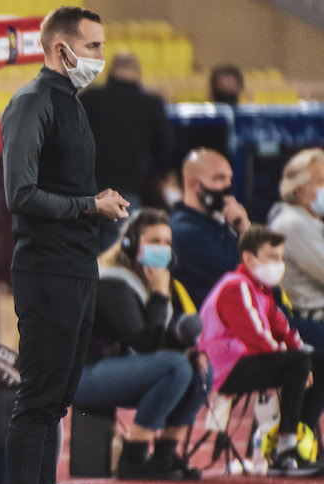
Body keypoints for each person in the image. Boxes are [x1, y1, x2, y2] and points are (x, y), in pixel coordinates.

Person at [1, 6, 127, 484]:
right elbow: (20, 193)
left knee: (53, 405)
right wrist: (89, 205)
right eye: (93, 46)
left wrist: (92, 205)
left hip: (76, 267)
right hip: (46, 271)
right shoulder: (32, 103)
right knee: (37, 403)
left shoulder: (69, 103)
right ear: (61, 49)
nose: (100, 57)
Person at [73, 209, 207, 480]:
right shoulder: (112, 279)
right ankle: (134, 456)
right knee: (175, 366)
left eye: (167, 242)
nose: (162, 248)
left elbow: (165, 335)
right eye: (154, 241)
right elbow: (145, 342)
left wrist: (189, 349)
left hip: (118, 369)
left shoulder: (151, 278)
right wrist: (160, 294)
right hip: (86, 373)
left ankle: (164, 454)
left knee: (200, 368)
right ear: (131, 243)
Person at [199, 225, 324, 473]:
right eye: (272, 257)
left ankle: (303, 436)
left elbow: (284, 330)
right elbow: (256, 338)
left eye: (280, 258)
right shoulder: (236, 286)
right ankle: (284, 449)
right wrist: (300, 361)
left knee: (318, 359)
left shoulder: (261, 290)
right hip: (224, 369)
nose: (279, 264)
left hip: (247, 361)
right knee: (297, 362)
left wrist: (304, 356)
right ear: (249, 258)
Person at [79, 52, 173, 248]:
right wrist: (153, 176)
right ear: (138, 71)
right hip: (130, 188)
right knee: (118, 249)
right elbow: (166, 148)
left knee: (87, 246)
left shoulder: (89, 99)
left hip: (89, 190)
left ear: (110, 71)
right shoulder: (151, 103)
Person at [170, 148, 251, 308]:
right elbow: (241, 272)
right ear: (193, 184)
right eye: (219, 178)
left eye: (229, 179)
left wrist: (242, 227)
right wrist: (244, 231)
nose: (227, 186)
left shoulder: (216, 222)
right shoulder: (185, 230)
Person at [269, 148, 324, 348]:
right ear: (298, 188)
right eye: (320, 181)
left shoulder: (311, 220)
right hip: (311, 319)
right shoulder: (292, 223)